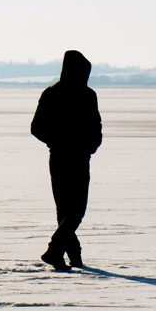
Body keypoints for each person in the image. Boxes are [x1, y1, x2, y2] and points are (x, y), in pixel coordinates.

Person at [30, 50, 102, 271]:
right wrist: (62, 142)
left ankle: (70, 256)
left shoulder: (72, 94)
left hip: (72, 156)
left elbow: (95, 126)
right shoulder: (66, 94)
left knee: (66, 211)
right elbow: (37, 128)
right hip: (68, 157)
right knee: (74, 211)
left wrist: (92, 145)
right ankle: (55, 251)